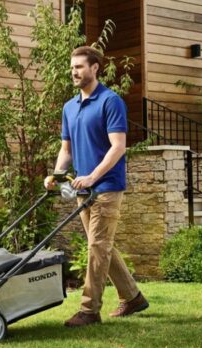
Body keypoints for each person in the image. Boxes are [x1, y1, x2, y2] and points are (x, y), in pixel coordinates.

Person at [44, 46, 148, 327]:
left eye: (79, 67)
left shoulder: (110, 101)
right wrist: (57, 174)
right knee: (101, 245)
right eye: (72, 68)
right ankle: (133, 297)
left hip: (107, 187)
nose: (74, 72)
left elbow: (118, 147)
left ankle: (89, 310)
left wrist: (93, 176)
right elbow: (66, 149)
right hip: (83, 189)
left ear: (94, 68)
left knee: (97, 246)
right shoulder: (69, 107)